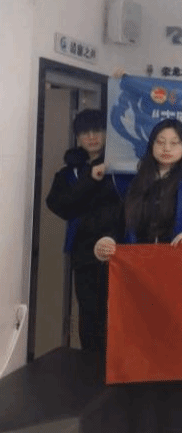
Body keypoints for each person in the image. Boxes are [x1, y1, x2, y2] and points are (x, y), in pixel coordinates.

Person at [94, 118, 182, 433]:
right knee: (140, 361)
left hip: (181, 286)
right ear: (151, 145)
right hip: (137, 288)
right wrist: (105, 242)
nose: (167, 148)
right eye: (161, 142)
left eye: (174, 143)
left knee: (179, 362)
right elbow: (115, 227)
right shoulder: (133, 182)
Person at [46, 109, 132, 357]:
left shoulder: (121, 168)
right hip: (84, 253)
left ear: (106, 133)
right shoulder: (69, 173)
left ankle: (116, 366)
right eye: (85, 133)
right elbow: (59, 206)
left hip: (119, 250)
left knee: (120, 311)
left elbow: (133, 207)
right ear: (77, 137)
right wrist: (90, 179)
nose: (92, 137)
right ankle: (90, 368)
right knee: (89, 313)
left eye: (97, 131)